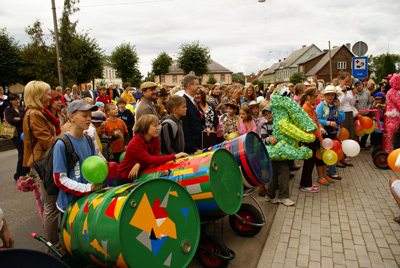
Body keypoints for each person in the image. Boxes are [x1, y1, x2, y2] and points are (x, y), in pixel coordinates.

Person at [23, 80, 70, 254]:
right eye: (47, 94)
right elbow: (48, 142)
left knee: (53, 204)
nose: (50, 97)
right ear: (37, 96)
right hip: (44, 162)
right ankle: (54, 247)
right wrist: (64, 133)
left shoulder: (40, 113)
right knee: (51, 205)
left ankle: (56, 244)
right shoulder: (34, 114)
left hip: (47, 161)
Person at [53, 100, 102, 213]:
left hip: (87, 202)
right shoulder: (62, 144)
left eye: (90, 115)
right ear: (71, 117)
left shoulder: (89, 139)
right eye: (84, 115)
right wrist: (88, 188)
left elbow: (94, 167)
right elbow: (60, 179)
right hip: (70, 207)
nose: (89, 119)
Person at [117, 114, 188, 182]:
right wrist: (174, 156)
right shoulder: (135, 143)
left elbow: (154, 159)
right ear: (145, 128)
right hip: (125, 178)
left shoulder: (154, 138)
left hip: (141, 175)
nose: (158, 128)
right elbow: (151, 160)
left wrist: (139, 164)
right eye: (155, 126)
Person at [260, 106, 295, 206]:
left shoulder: (281, 123)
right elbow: (262, 141)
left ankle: (270, 196)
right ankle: (283, 197)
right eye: (265, 114)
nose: (268, 116)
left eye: (270, 113)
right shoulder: (264, 126)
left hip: (281, 153)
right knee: (284, 172)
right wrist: (269, 139)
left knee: (275, 174)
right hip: (272, 154)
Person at [299, 87, 327, 192]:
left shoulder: (310, 107)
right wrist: (320, 138)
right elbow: (312, 126)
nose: (317, 98)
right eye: (315, 96)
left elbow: (316, 121)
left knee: (310, 161)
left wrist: (321, 127)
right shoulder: (306, 108)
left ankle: (307, 183)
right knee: (309, 162)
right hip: (309, 138)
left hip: (312, 137)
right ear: (309, 97)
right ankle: (305, 184)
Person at [316, 86, 345, 181]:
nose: (330, 97)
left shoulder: (336, 105)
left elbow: (342, 117)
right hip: (325, 131)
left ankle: (331, 171)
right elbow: (317, 119)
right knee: (328, 150)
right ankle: (329, 172)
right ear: (324, 95)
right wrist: (329, 123)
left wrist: (339, 106)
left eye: (332, 94)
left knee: (334, 150)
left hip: (335, 131)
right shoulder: (321, 106)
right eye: (328, 95)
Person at [5, 94, 30, 180]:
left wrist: (19, 119)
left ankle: (26, 172)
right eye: (15, 100)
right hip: (16, 134)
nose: (17, 101)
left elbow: (26, 118)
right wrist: (21, 119)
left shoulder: (21, 109)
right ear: (11, 101)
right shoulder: (8, 110)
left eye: (17, 99)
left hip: (24, 132)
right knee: (22, 153)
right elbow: (11, 120)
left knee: (26, 152)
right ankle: (19, 174)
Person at [336, 72, 356, 166]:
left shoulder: (348, 89)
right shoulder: (337, 89)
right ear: (340, 80)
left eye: (349, 81)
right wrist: (343, 94)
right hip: (341, 112)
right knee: (342, 136)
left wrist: (354, 94)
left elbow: (352, 103)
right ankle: (339, 158)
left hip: (349, 112)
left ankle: (344, 156)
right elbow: (340, 103)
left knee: (349, 135)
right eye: (346, 81)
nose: (348, 83)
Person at [181, 75, 203, 151]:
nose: (198, 86)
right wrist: (193, 149)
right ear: (189, 86)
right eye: (196, 84)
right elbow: (185, 128)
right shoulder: (184, 102)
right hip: (192, 147)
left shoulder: (194, 101)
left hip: (199, 143)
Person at [354, 79, 372, 149]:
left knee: (367, 129)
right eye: (357, 86)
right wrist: (356, 111)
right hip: (358, 114)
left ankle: (363, 143)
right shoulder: (354, 94)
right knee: (357, 129)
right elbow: (353, 103)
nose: (359, 87)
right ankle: (357, 144)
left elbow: (369, 102)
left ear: (362, 85)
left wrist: (368, 109)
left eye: (359, 85)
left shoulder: (367, 93)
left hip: (366, 113)